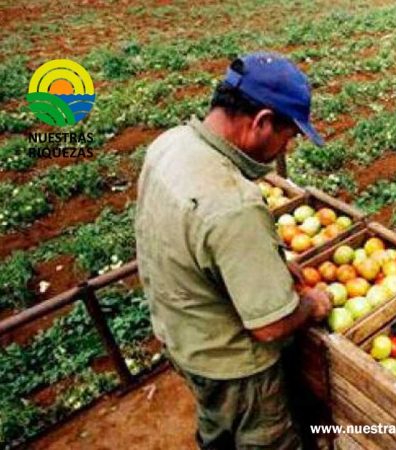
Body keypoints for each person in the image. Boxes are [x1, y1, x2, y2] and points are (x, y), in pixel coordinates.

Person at [135, 52, 332, 450]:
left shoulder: (169, 144)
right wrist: (311, 305)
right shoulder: (232, 203)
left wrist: (269, 268)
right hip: (235, 367)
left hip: (183, 335)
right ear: (261, 122)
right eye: (287, 136)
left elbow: (193, 245)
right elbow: (269, 326)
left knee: (217, 427)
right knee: (265, 439)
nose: (284, 148)